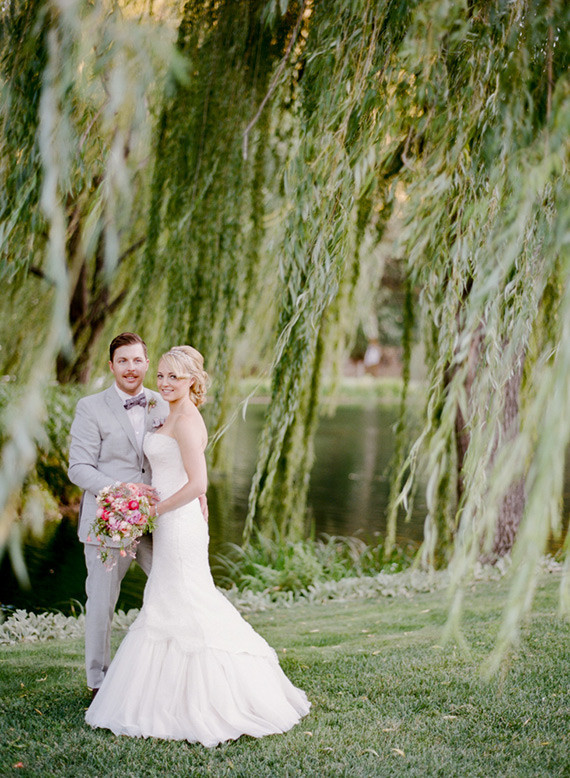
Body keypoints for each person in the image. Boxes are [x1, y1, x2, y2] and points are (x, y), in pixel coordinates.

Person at [85, 345, 310, 746]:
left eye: (176, 376)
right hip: (170, 519)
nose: (166, 382)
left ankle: (221, 694)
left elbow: (199, 483)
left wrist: (155, 511)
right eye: (164, 375)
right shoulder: (166, 410)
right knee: (168, 601)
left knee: (187, 600)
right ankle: (168, 692)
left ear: (193, 379)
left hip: (178, 523)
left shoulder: (187, 420)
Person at [68, 332, 169, 698]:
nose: (130, 368)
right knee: (101, 604)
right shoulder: (91, 407)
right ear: (111, 366)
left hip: (158, 522)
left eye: (137, 360)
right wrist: (122, 493)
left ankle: (172, 671)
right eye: (122, 361)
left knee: (175, 586)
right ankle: (98, 681)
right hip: (109, 521)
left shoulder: (162, 403)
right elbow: (78, 467)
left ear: (146, 363)